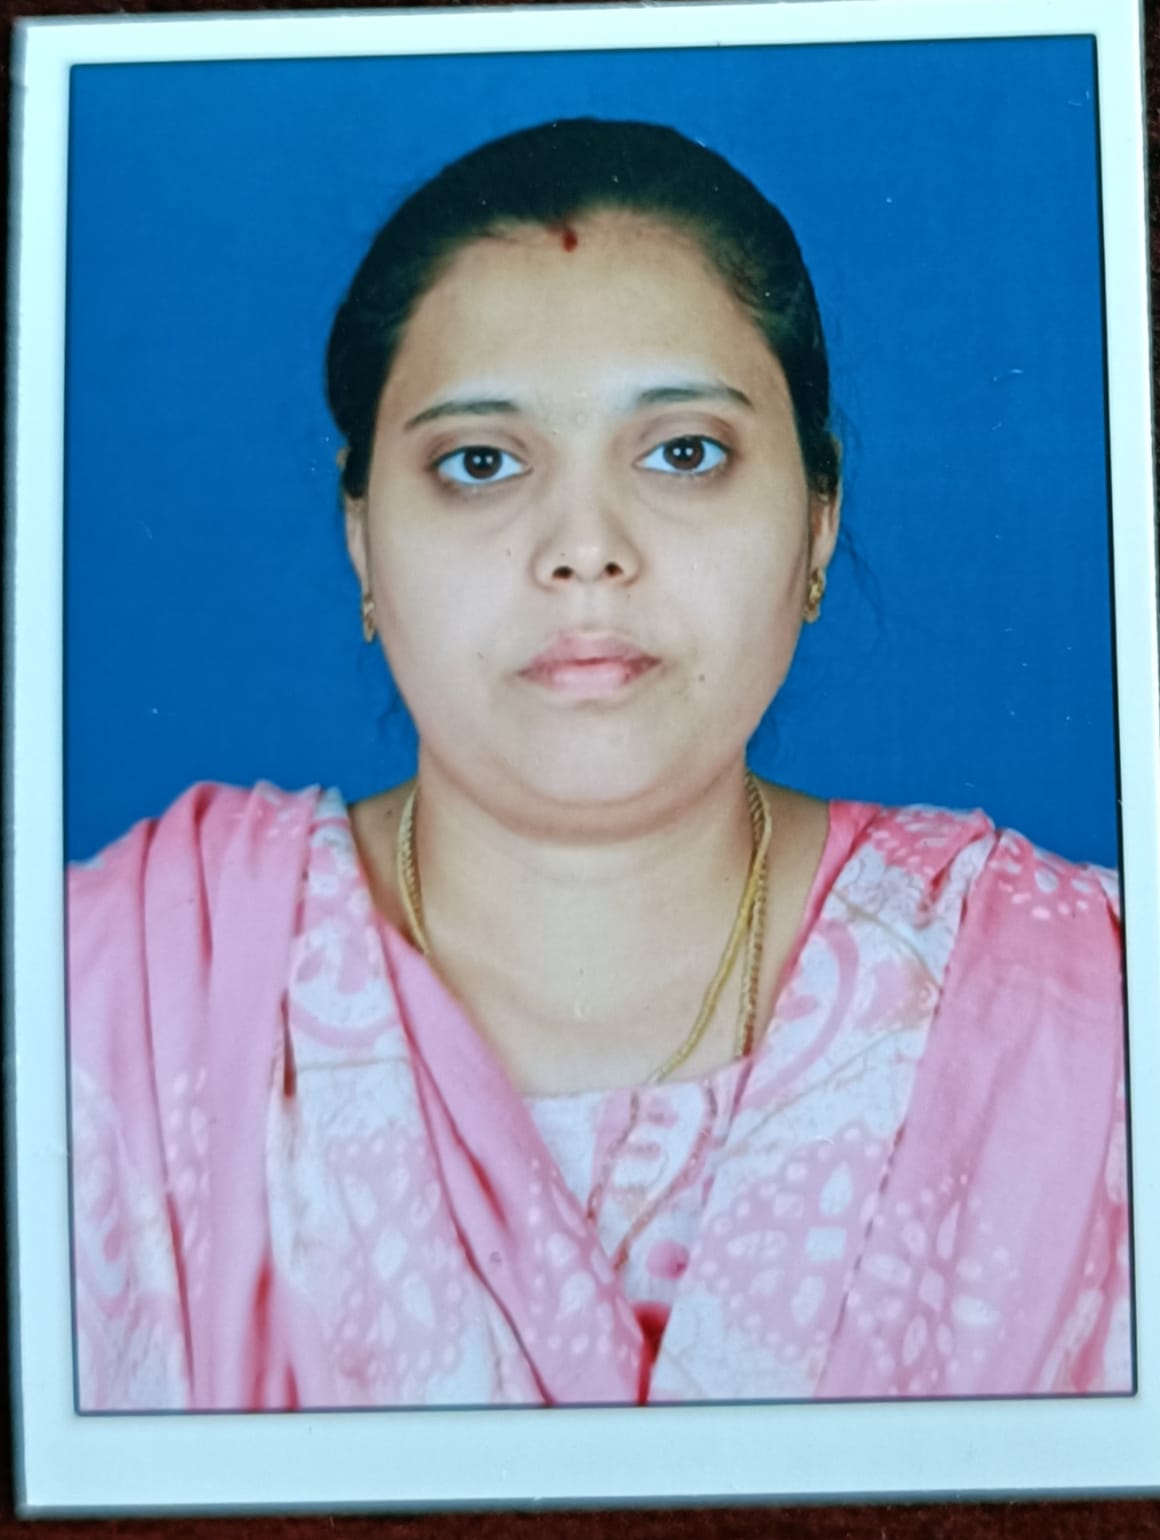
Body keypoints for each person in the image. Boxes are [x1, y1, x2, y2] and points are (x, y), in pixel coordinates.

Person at [68, 118, 1129, 1411]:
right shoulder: (109, 998)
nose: (584, 547)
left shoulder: (1091, 1008)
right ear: (362, 537)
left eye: (684, 452)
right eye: (480, 463)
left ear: (818, 519)